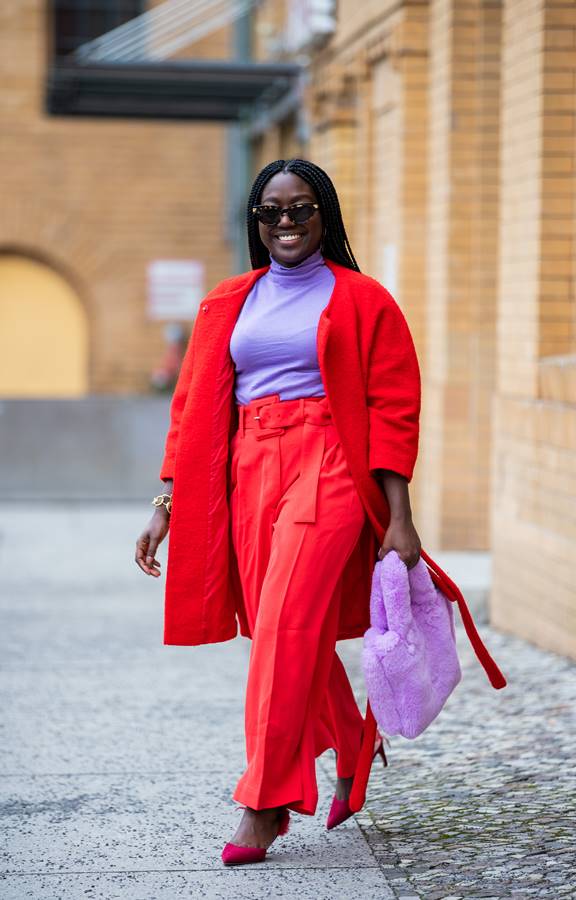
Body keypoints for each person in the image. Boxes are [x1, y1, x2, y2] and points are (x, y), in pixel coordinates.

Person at [135, 158, 422, 865]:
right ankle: (354, 740)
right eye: (271, 212)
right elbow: (192, 409)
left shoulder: (363, 300)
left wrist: (399, 516)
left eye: (301, 209)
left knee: (286, 625)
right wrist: (166, 502)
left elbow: (392, 411)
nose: (286, 222)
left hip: (328, 460)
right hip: (247, 469)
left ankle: (263, 801)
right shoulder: (230, 300)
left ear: (324, 214)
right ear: (255, 222)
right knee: (275, 625)